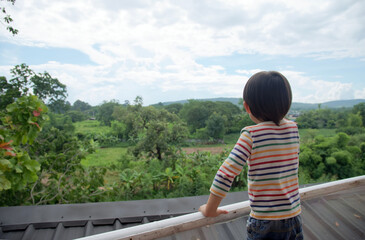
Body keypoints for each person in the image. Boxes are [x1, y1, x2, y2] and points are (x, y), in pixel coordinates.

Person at [199, 71, 303, 240]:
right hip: (294, 217)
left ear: (247, 106)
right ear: (287, 104)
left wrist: (210, 210)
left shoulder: (251, 134)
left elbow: (226, 173)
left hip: (265, 221)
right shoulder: (293, 129)